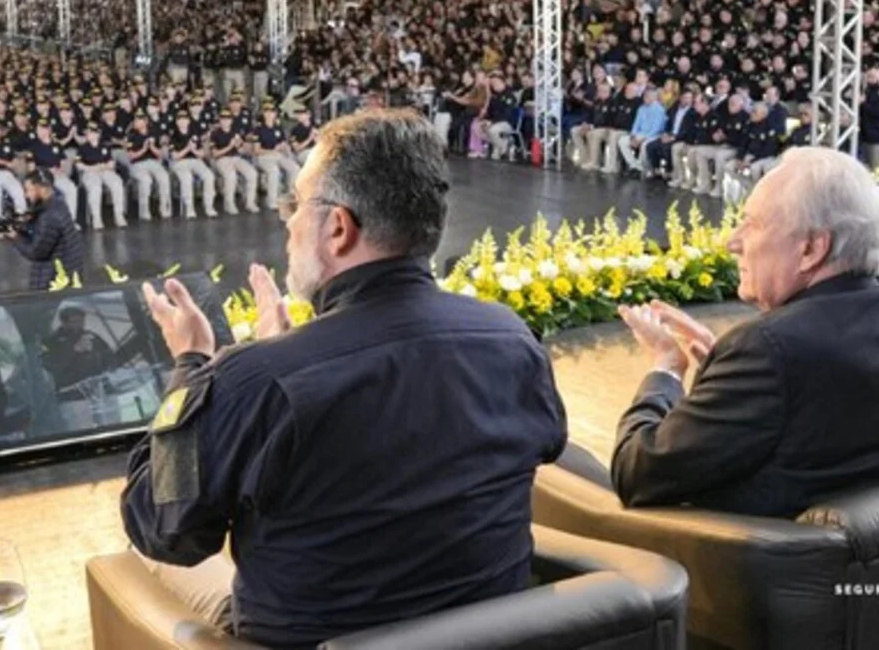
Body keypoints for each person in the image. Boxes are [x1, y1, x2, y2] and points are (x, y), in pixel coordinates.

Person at [121, 110, 567, 647]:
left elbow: (162, 526)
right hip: (493, 635)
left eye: (295, 206)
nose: (286, 223)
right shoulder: (511, 340)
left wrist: (193, 368)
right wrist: (278, 358)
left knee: (136, 561)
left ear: (337, 227)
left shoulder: (259, 383)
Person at [612, 147, 879, 517]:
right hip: (842, 568)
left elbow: (635, 474)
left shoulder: (768, 350)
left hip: (720, 564)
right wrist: (721, 371)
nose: (732, 242)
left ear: (812, 249)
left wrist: (666, 370)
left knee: (555, 464)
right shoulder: (771, 352)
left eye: (752, 224)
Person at [9, 169, 85, 291]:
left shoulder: (49, 216)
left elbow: (36, 252)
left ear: (41, 189)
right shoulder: (58, 204)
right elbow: (42, 232)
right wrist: (24, 225)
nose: (26, 195)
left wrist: (14, 237)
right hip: (67, 270)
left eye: (28, 190)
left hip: (56, 279)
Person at [77, 123, 127, 230]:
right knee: (96, 187)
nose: (89, 135)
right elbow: (78, 165)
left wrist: (105, 165)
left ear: (97, 135)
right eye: (88, 133)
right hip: (90, 171)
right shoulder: (83, 148)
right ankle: (96, 217)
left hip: (105, 170)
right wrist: (91, 168)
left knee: (117, 182)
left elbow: (112, 162)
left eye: (92, 133)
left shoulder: (105, 146)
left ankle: (119, 215)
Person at [250, 102, 299, 210]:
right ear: (263, 114)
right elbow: (256, 150)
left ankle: (291, 197)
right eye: (267, 112)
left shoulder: (278, 128)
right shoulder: (258, 129)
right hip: (264, 157)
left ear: (275, 114)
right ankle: (272, 201)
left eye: (272, 112)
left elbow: (283, 143)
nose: (269, 114)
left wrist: (286, 148)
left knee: (294, 168)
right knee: (274, 171)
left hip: (278, 155)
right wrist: (272, 150)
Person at [28, 119, 78, 224]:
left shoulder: (56, 145)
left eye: (43, 129)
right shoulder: (33, 146)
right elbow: (31, 168)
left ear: (49, 130)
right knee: (44, 192)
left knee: (71, 189)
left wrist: (60, 169)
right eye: (39, 129)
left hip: (57, 175)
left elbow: (63, 161)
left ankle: (70, 221)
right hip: (42, 177)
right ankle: (43, 223)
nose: (40, 131)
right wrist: (46, 170)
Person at [169, 110, 218, 219]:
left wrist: (195, 151)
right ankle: (189, 207)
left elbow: (202, 153)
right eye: (180, 119)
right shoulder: (174, 135)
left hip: (195, 160)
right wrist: (188, 148)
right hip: (179, 162)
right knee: (187, 178)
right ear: (177, 122)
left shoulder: (194, 134)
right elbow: (174, 156)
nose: (183, 121)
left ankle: (209, 206)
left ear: (188, 121)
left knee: (209, 176)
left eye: (185, 119)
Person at [209, 110, 259, 215]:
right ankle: (229, 203)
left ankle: (250, 202)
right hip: (222, 159)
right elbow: (215, 154)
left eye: (228, 119)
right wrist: (230, 146)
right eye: (223, 119)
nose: (225, 121)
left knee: (252, 173)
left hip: (236, 157)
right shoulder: (215, 134)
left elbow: (242, 150)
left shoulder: (235, 132)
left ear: (231, 121)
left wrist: (241, 144)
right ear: (220, 121)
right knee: (231, 176)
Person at [126, 113, 172, 221]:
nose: (136, 122)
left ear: (145, 122)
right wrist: (143, 149)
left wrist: (152, 147)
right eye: (136, 120)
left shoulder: (153, 133)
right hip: (137, 164)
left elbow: (160, 154)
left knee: (164, 177)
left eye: (139, 120)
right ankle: (144, 210)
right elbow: (130, 156)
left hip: (153, 161)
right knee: (146, 180)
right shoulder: (131, 135)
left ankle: (163, 207)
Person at [617, 87, 667, 177]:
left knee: (645, 145)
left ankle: (640, 168)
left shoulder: (660, 110)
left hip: (654, 135)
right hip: (640, 134)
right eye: (645, 96)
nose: (645, 98)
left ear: (654, 97)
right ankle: (634, 166)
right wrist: (633, 136)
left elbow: (657, 128)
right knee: (622, 141)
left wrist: (643, 138)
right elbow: (636, 124)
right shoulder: (641, 109)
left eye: (648, 96)